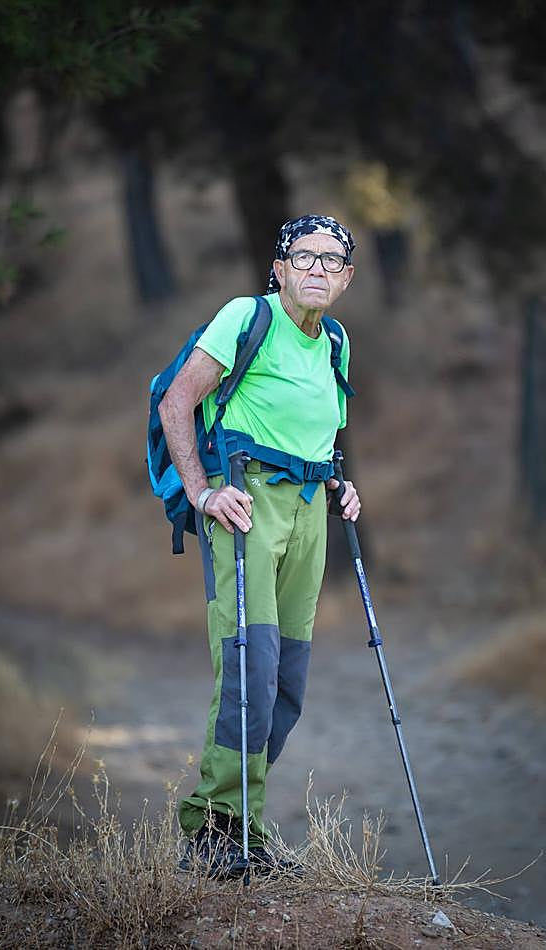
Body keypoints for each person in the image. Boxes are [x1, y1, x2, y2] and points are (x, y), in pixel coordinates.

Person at [158, 214, 361, 877]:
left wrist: (343, 486)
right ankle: (216, 830)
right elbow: (177, 403)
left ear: (347, 278)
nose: (316, 270)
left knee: (286, 683)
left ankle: (238, 825)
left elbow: (321, 438)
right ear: (279, 268)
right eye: (303, 258)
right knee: (250, 666)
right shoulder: (248, 318)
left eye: (332, 261)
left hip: (309, 515)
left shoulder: (336, 342)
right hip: (246, 507)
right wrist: (200, 492)